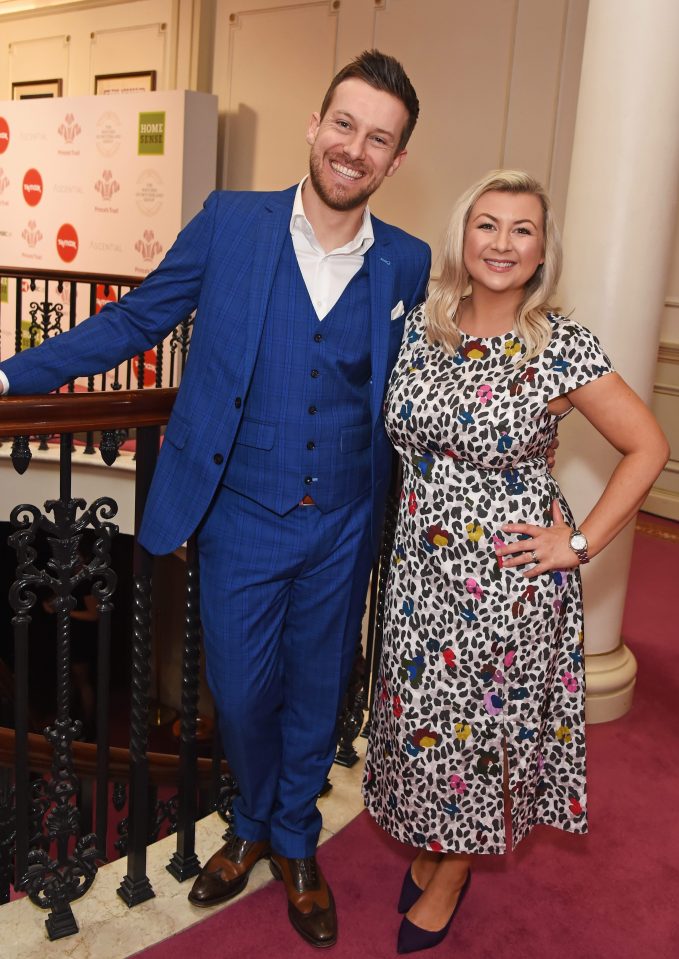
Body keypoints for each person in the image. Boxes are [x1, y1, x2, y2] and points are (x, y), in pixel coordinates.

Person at [0, 51, 430, 948]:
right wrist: (10, 372)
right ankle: (254, 814)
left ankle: (286, 843)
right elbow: (134, 319)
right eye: (344, 125)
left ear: (395, 162)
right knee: (237, 694)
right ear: (314, 128)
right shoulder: (232, 223)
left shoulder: (407, 262)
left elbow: (417, 390)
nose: (354, 148)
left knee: (319, 689)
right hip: (240, 510)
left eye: (378, 138)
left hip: (346, 516)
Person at [362, 169, 669, 955]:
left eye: (521, 229)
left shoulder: (559, 344)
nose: (502, 243)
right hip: (418, 576)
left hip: (506, 581)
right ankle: (435, 839)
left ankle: (455, 869)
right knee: (423, 721)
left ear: (542, 251)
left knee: (480, 732)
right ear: (463, 239)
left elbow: (646, 446)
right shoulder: (421, 327)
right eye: (487, 225)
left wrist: (575, 544)